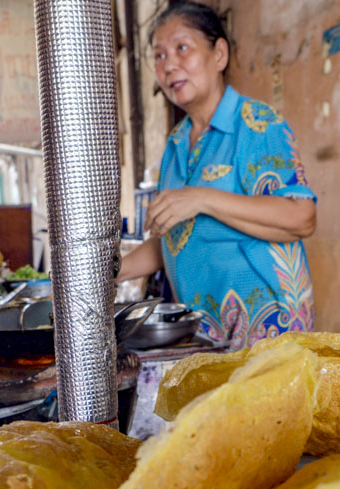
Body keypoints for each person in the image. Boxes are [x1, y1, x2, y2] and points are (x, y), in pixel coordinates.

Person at [117, 1, 316, 350]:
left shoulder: (256, 124)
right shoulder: (177, 142)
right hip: (204, 335)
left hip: (267, 335)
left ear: (219, 54)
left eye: (182, 48)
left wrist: (203, 198)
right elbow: (174, 239)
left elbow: (301, 217)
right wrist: (113, 271)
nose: (169, 66)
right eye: (159, 56)